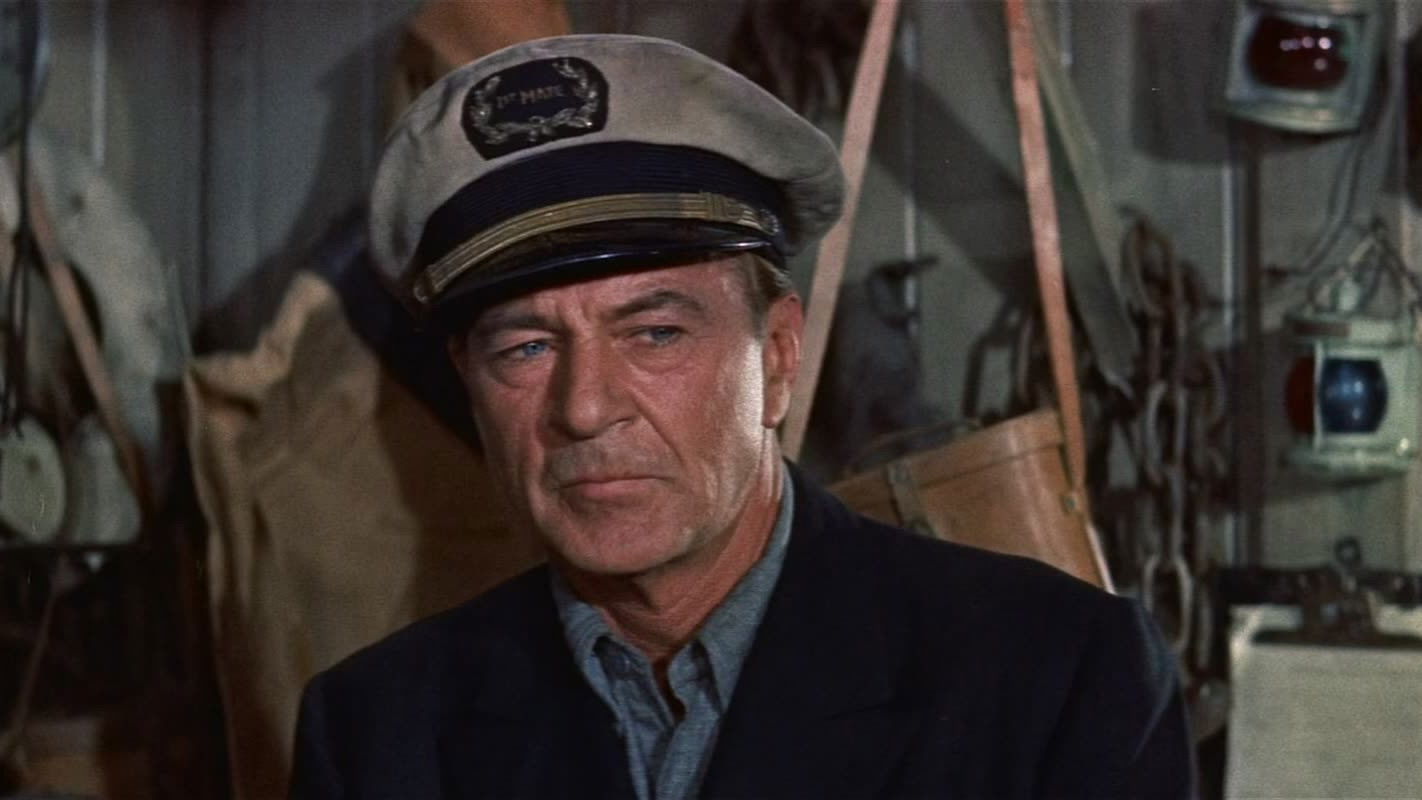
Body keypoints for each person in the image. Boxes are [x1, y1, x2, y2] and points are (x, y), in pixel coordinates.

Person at [290, 33, 1194, 799]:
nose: (586, 408)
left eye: (654, 333)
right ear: (470, 383)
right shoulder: (378, 735)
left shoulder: (1054, 679)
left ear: (780, 355)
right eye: (525, 348)